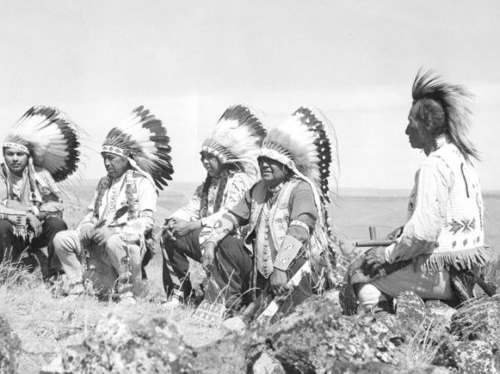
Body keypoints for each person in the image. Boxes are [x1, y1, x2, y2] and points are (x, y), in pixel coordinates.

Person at [348, 70, 490, 312]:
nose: (406, 131)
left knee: (359, 269)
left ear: (426, 125)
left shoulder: (433, 165)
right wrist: (403, 234)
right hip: (466, 272)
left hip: (443, 276)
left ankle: (382, 333)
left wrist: (388, 254)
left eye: (410, 122)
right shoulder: (463, 160)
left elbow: (424, 234)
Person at [201, 106, 338, 320]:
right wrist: (211, 242)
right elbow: (232, 217)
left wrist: (281, 267)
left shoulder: (300, 189)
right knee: (226, 244)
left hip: (296, 269)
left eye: (272, 161)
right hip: (264, 270)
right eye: (262, 160)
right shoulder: (258, 189)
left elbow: (300, 229)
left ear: (287, 164)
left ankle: (265, 311)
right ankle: (230, 305)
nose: (265, 165)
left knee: (280, 320)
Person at [53, 106, 173, 301]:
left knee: (114, 241)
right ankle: (77, 286)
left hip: (127, 241)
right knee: (62, 238)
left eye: (112, 159)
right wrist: (87, 226)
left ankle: (128, 295)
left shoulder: (143, 183)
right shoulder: (104, 183)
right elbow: (92, 212)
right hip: (98, 240)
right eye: (105, 159)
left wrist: (115, 232)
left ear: (126, 159)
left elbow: (147, 220)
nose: (107, 163)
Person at [161, 105, 267, 304]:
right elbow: (193, 206)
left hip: (231, 241)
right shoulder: (207, 184)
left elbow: (232, 213)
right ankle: (180, 293)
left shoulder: (241, 180)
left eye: (210, 157)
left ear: (223, 158)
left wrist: (196, 225)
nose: (205, 162)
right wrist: (176, 220)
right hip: (205, 236)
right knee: (169, 235)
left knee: (222, 245)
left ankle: (224, 299)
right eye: (203, 157)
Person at [0, 106, 81, 278]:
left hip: (36, 231)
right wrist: (27, 215)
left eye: (19, 154)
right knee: (2, 226)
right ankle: (11, 273)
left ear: (28, 156)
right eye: (9, 154)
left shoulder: (41, 175)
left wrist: (36, 214)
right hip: (8, 233)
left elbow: (56, 206)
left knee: (57, 224)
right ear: (4, 155)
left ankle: (56, 273)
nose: (14, 159)